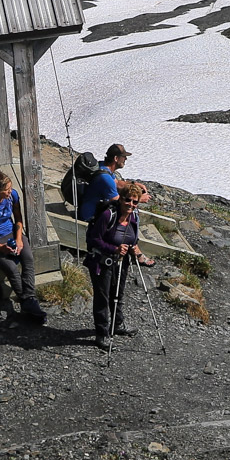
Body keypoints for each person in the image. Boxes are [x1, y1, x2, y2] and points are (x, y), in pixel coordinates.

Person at [86, 181, 153, 350]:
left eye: (135, 202)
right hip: (102, 262)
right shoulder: (108, 215)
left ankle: (117, 324)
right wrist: (114, 248)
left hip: (121, 263)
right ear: (121, 199)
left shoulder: (134, 216)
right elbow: (94, 239)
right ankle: (102, 334)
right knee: (103, 298)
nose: (131, 204)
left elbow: (133, 237)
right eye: (128, 200)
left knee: (118, 294)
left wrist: (134, 248)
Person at [0, 169, 46, 322]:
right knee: (12, 269)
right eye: (6, 190)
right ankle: (28, 302)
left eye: (10, 188)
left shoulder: (12, 196)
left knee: (28, 259)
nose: (9, 192)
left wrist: (19, 239)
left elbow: (18, 219)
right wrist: (0, 247)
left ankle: (29, 300)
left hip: (12, 235)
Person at [76, 143, 129, 222]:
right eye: (123, 156)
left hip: (86, 211)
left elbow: (117, 183)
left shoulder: (102, 167)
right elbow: (119, 203)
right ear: (116, 158)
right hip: (90, 218)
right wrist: (139, 198)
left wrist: (134, 185)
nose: (126, 159)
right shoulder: (105, 178)